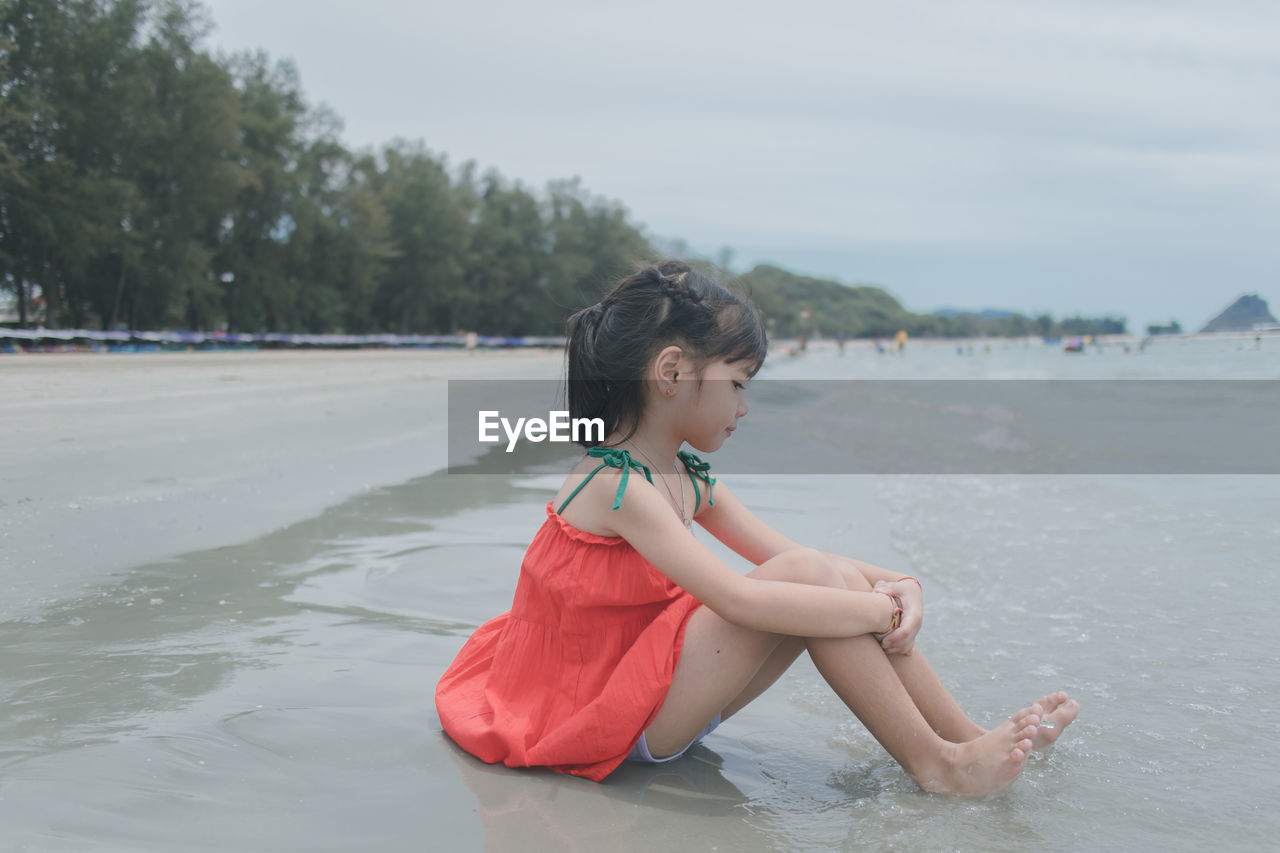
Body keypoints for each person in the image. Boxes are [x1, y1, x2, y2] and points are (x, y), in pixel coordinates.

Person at [435, 261, 1078, 797]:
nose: (744, 406)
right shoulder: (614, 484)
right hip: (608, 717)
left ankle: (963, 740)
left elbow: (803, 557)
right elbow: (738, 599)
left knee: (822, 575)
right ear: (671, 373)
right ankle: (937, 766)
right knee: (814, 584)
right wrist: (880, 613)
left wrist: (902, 583)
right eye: (737, 384)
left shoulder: (686, 476)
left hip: (652, 690)